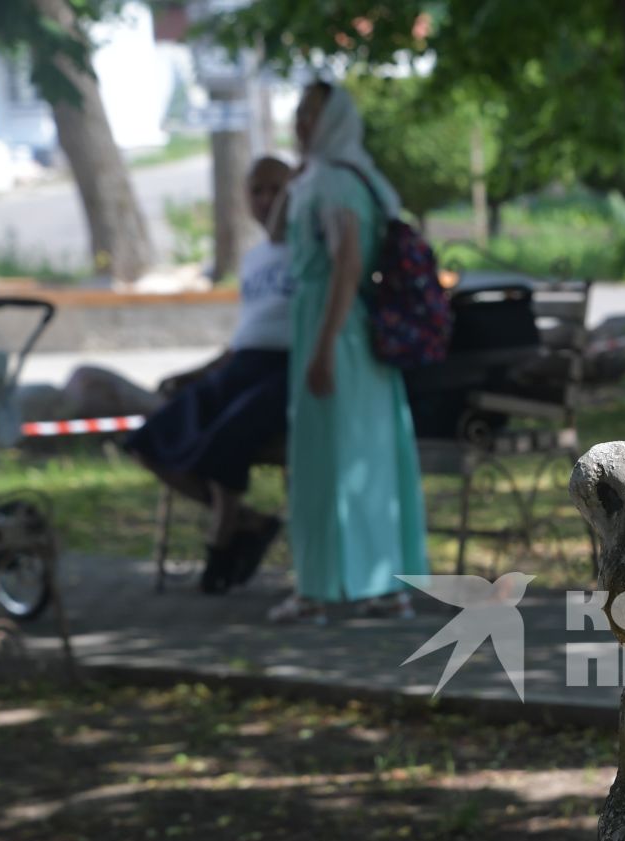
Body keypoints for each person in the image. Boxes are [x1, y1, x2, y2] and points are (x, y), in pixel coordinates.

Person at [271, 80, 429, 624]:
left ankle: (326, 588)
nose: (301, 124)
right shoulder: (329, 177)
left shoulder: (337, 182)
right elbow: (277, 237)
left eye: (312, 114)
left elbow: (346, 265)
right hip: (345, 334)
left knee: (331, 461)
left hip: (336, 331)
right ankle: (374, 585)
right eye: (298, 113)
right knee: (360, 459)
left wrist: (322, 348)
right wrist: (293, 178)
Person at [124, 156, 296, 593]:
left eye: (277, 189)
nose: (267, 200)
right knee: (150, 440)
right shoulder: (255, 260)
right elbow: (245, 335)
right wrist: (194, 373)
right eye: (257, 190)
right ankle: (250, 523)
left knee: (227, 438)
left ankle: (220, 542)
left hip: (290, 369)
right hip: (243, 365)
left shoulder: (317, 248)